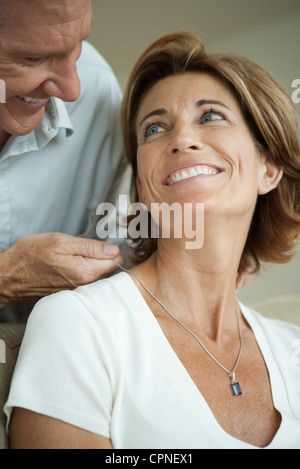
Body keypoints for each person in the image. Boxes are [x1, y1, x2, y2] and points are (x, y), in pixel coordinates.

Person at [4, 32, 300, 449]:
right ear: (142, 187)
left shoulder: (293, 346)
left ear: (268, 169)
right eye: (155, 128)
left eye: (211, 116)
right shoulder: (78, 324)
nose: (181, 139)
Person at [0, 0, 128, 323]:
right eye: (34, 58)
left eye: (78, 43)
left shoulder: (96, 91)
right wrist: (7, 277)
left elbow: (121, 245)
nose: (72, 90)